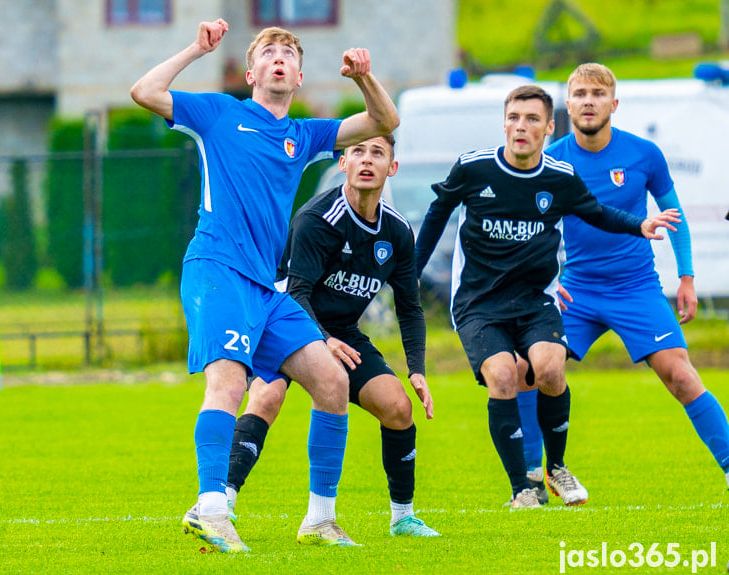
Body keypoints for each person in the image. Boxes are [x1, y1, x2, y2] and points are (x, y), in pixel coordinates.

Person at [130, 20, 399, 552]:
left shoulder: (305, 134)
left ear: (298, 76)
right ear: (251, 72)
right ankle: (211, 509)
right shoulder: (219, 113)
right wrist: (196, 49)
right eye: (268, 53)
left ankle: (319, 520)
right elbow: (144, 92)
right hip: (218, 268)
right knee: (228, 385)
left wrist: (364, 78)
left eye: (288, 54)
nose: (278, 58)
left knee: (331, 382)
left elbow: (385, 121)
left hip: (267, 286)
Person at [413, 85, 681, 509]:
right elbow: (435, 217)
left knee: (551, 368)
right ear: (504, 123)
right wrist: (410, 272)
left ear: (549, 127)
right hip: (479, 303)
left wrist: (639, 226)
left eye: (532, 119)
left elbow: (597, 212)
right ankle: (523, 486)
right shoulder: (472, 168)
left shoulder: (559, 177)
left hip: (535, 298)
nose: (522, 126)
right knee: (503, 376)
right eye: (515, 118)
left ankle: (556, 468)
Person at [515, 63, 729, 495]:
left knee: (682, 376)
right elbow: (532, 229)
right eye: (579, 93)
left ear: (614, 103)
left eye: (597, 93)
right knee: (528, 370)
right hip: (577, 290)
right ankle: (533, 481)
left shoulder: (644, 154)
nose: (588, 100)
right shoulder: (551, 160)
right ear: (568, 105)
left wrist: (686, 278)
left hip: (636, 289)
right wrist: (541, 284)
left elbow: (676, 217)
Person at [226, 134, 439, 539]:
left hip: (341, 332)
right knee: (268, 397)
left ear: (391, 168)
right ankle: (223, 503)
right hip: (283, 320)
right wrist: (321, 340)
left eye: (378, 153)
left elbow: (409, 306)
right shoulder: (319, 219)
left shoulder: (396, 232)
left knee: (397, 407)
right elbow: (298, 290)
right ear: (342, 163)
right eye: (357, 151)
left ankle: (403, 518)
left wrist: (417, 370)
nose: (366, 160)